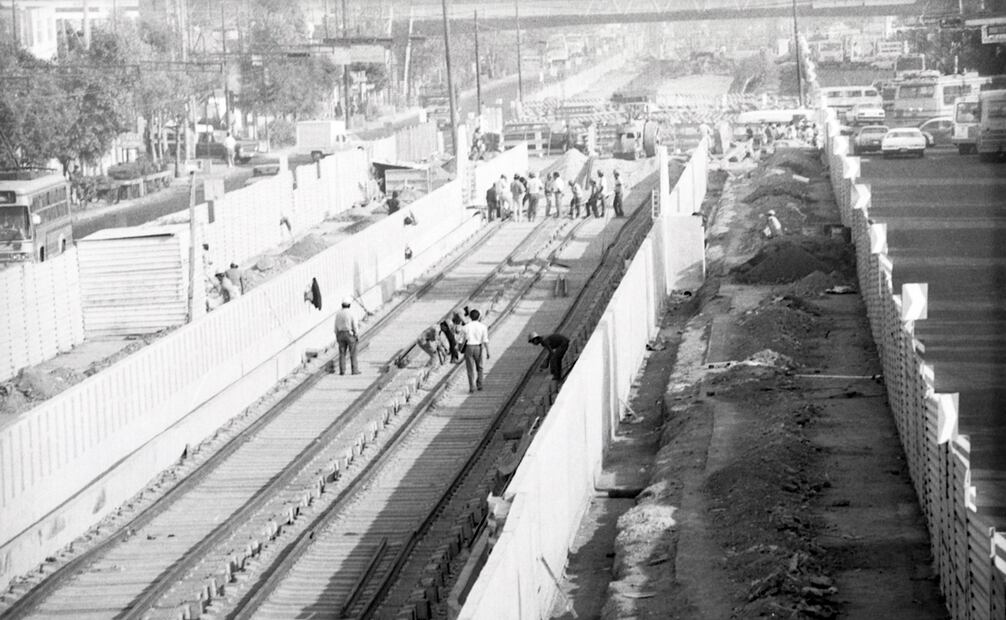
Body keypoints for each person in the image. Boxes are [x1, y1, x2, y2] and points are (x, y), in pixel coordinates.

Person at [461, 309, 490, 393]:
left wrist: (460, 349)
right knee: (480, 367)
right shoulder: (483, 326)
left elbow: (460, 340)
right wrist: (488, 351)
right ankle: (480, 385)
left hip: (469, 348)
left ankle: (471, 387)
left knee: (470, 368)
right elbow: (485, 340)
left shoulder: (465, 327)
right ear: (479, 317)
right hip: (478, 347)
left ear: (470, 316)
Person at [334, 297, 360, 375]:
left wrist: (337, 335)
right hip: (349, 334)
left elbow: (335, 326)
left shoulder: (338, 313)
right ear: (349, 305)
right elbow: (354, 325)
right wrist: (356, 334)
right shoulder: (351, 313)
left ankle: (342, 370)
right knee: (353, 352)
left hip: (340, 334)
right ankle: (354, 370)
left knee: (342, 353)